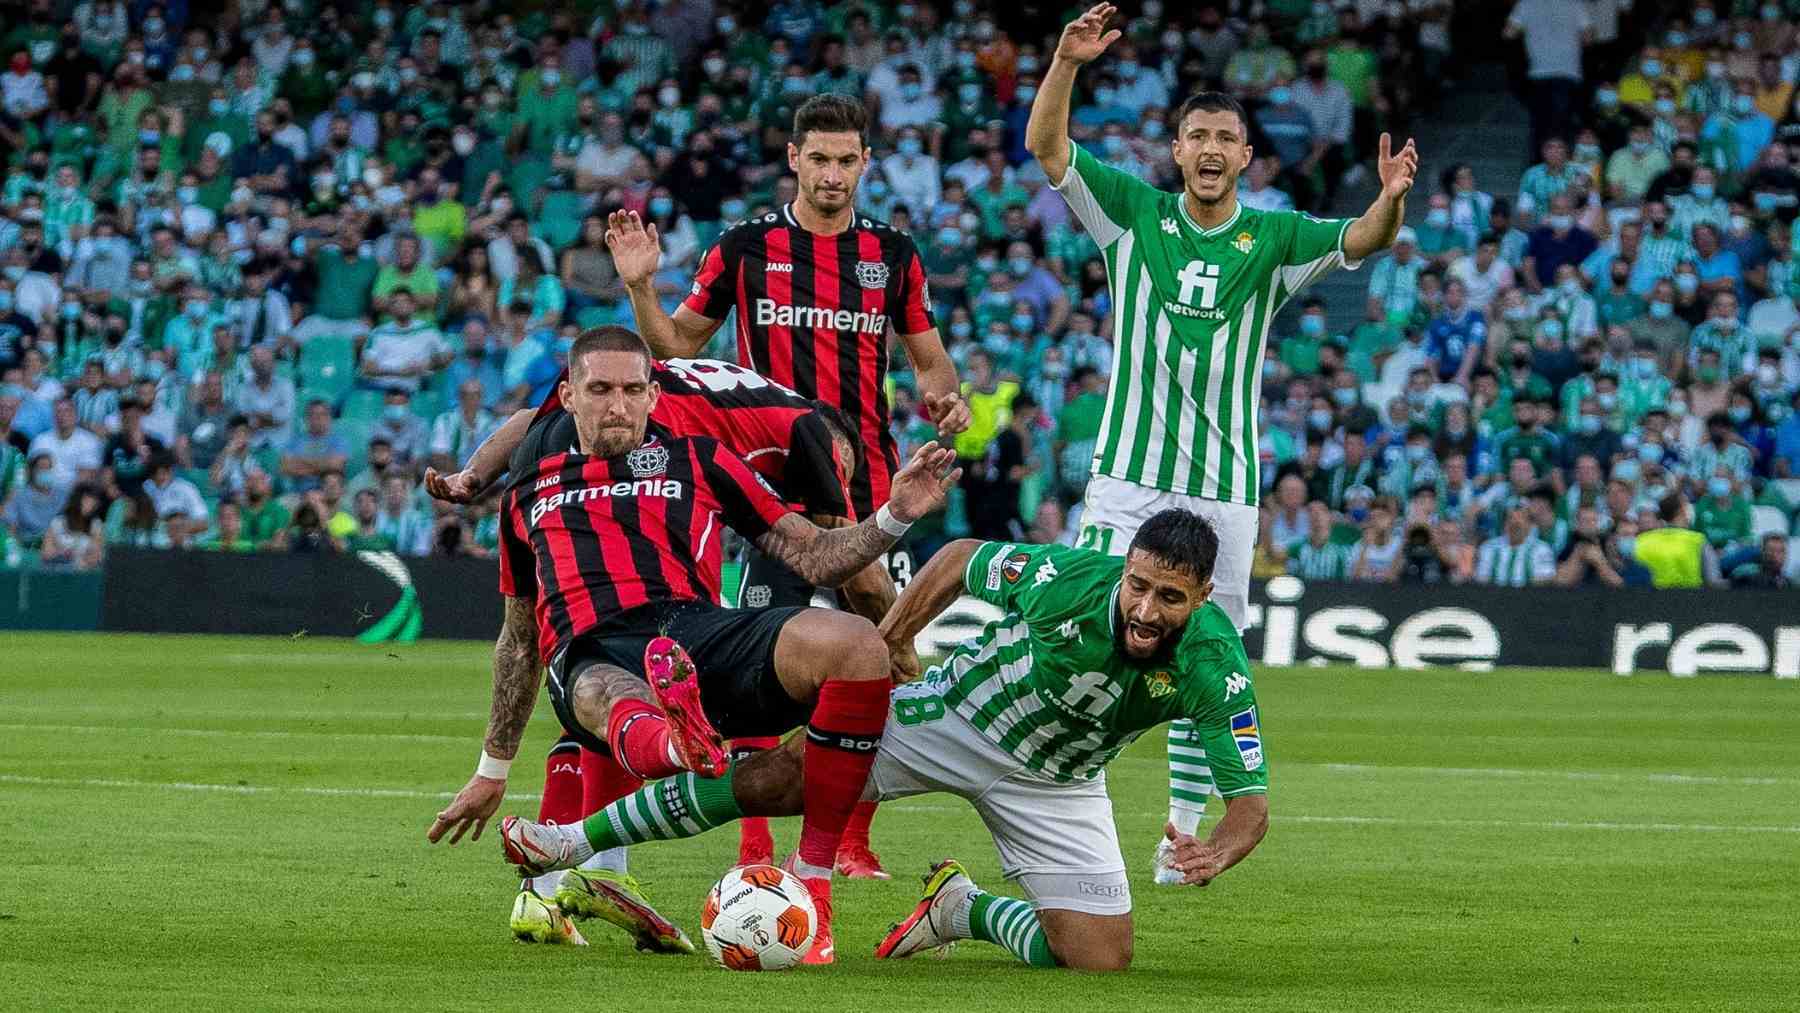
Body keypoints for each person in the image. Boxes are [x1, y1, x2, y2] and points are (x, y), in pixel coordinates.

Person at [503, 510, 1269, 973]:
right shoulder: (1068, 579)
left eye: (1170, 597)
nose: (1144, 609)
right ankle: (572, 840)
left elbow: (1250, 803)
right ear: (1125, 569)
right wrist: (893, 637)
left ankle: (960, 908)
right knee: (777, 777)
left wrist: (1219, 849)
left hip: (1059, 780)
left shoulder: (1214, 661)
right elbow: (961, 557)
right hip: (955, 718)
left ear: (1204, 596)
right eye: (1138, 584)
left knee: (1100, 956)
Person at [1024, 2, 1416, 881]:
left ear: (1245, 156)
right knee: (1084, 628)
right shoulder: (1130, 212)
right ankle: (1058, 801)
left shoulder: (1273, 237)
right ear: (1177, 150)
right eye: (1196, 135)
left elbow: (1363, 238)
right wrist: (1066, 62)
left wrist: (1390, 200)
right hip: (1127, 477)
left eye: (1224, 139)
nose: (1209, 148)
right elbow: (1049, 148)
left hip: (1223, 488)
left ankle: (1180, 834)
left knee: (1208, 654)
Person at [426, 327, 960, 967]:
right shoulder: (526, 492)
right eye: (600, 390)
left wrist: (894, 516)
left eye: (632, 390)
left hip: (694, 632)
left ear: (655, 396)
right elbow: (519, 644)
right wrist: (491, 771)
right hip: (592, 648)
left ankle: (812, 879)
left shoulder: (701, 458)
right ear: (567, 397)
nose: (617, 406)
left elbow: (816, 556)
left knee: (855, 644)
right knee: (610, 692)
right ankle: (680, 744)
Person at [603, 93, 971, 873]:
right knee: (756, 660)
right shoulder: (745, 247)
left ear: (865, 163)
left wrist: (946, 396)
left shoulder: (892, 254)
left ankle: (854, 841)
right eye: (820, 159)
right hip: (769, 490)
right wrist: (640, 288)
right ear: (794, 159)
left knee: (883, 652)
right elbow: (672, 347)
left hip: (869, 491)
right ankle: (756, 849)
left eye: (847, 160)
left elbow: (929, 358)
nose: (833, 174)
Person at [1476, 506, 1557, 586]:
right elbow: (1482, 579)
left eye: (1519, 522)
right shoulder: (1488, 547)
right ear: (1504, 525)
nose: (1514, 523)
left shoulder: (1542, 549)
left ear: (1530, 525)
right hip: (1493, 593)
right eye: (1510, 519)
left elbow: (1545, 578)